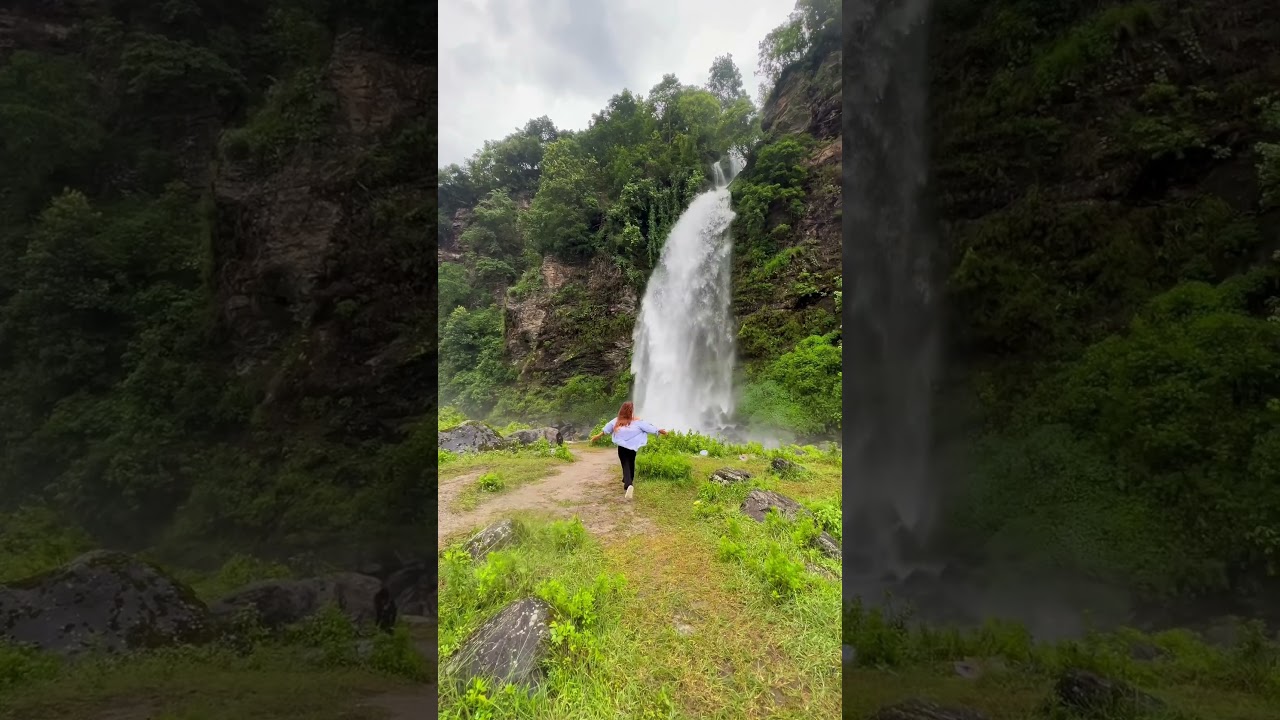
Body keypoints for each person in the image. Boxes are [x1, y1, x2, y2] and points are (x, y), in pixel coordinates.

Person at [589, 401, 667, 500]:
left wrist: (597, 436)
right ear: (630, 411)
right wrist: (660, 430)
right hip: (632, 448)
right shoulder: (637, 422)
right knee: (631, 463)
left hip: (622, 448)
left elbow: (606, 430)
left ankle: (628, 483)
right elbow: (649, 427)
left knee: (625, 464)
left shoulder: (616, 421)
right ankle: (628, 482)